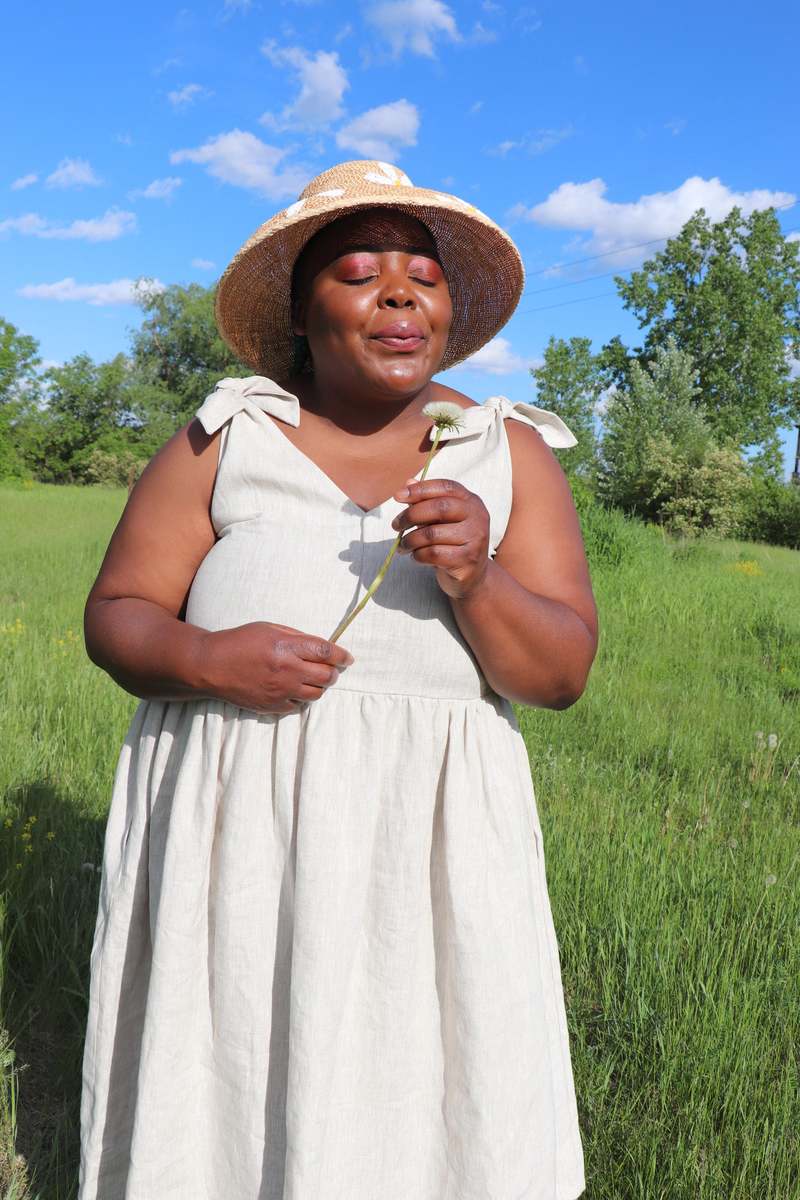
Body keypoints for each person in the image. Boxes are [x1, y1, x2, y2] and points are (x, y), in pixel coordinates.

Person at [78, 158, 597, 1199]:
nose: (400, 295)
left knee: (427, 1093)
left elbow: (559, 676)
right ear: (298, 313)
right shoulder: (227, 437)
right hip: (238, 849)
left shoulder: (503, 451)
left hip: (431, 856)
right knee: (230, 1085)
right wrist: (203, 659)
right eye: (360, 274)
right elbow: (116, 614)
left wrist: (478, 577)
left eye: (423, 278)